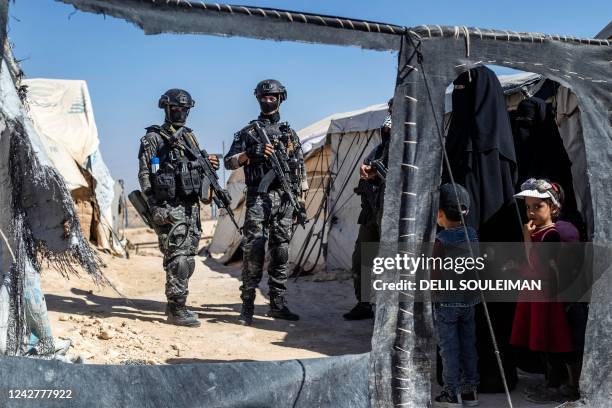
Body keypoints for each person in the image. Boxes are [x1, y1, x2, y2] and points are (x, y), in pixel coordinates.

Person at [224, 79, 308, 326]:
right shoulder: (248, 133)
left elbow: (300, 168)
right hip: (258, 198)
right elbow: (229, 161)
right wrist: (249, 154)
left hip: (284, 198)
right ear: (258, 98)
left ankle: (277, 304)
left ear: (281, 99)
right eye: (264, 96)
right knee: (255, 249)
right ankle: (248, 305)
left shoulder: (289, 134)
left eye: (273, 97)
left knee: (281, 250)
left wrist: (299, 200)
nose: (268, 100)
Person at [137, 89, 219, 327]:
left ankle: (176, 301)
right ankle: (177, 308)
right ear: (166, 108)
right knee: (178, 259)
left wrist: (206, 162)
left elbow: (196, 166)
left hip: (190, 206)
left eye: (185, 109)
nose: (181, 113)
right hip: (168, 205)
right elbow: (145, 174)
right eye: (176, 108)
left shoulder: (189, 137)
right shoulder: (154, 138)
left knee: (189, 259)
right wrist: (155, 206)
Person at [511, 178, 579, 403]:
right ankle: (555, 382)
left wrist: (526, 237)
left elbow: (536, 264)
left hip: (549, 297)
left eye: (538, 206)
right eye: (528, 207)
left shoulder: (552, 234)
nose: (531, 212)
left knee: (556, 342)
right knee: (545, 342)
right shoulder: (541, 232)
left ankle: (564, 384)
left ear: (553, 207)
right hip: (537, 294)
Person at [343, 99, 392, 320]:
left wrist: (382, 173)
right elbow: (370, 167)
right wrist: (369, 171)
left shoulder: (414, 142)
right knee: (361, 259)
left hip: (393, 214)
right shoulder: (382, 147)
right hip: (372, 211)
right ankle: (363, 304)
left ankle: (390, 311)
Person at [433, 183, 480, 407]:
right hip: (469, 301)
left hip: (447, 304)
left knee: (449, 348)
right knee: (468, 345)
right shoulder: (472, 235)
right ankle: (470, 392)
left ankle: (451, 394)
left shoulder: (441, 240)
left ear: (439, 214)